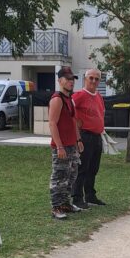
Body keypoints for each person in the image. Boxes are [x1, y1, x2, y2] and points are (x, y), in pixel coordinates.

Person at [49, 66, 83, 220]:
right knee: (59, 177)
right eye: (67, 79)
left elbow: (74, 121)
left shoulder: (70, 99)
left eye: (72, 79)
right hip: (61, 146)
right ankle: (56, 207)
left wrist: (78, 140)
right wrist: (60, 146)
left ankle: (65, 203)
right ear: (59, 80)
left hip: (72, 145)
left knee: (71, 175)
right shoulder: (57, 99)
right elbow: (52, 124)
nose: (71, 82)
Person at [72, 68, 106, 208]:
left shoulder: (99, 96)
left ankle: (90, 195)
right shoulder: (79, 95)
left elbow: (101, 113)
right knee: (82, 168)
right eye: (91, 78)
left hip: (97, 136)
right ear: (85, 79)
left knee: (93, 168)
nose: (93, 81)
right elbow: (68, 112)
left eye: (96, 79)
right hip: (85, 136)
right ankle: (77, 198)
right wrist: (77, 136)